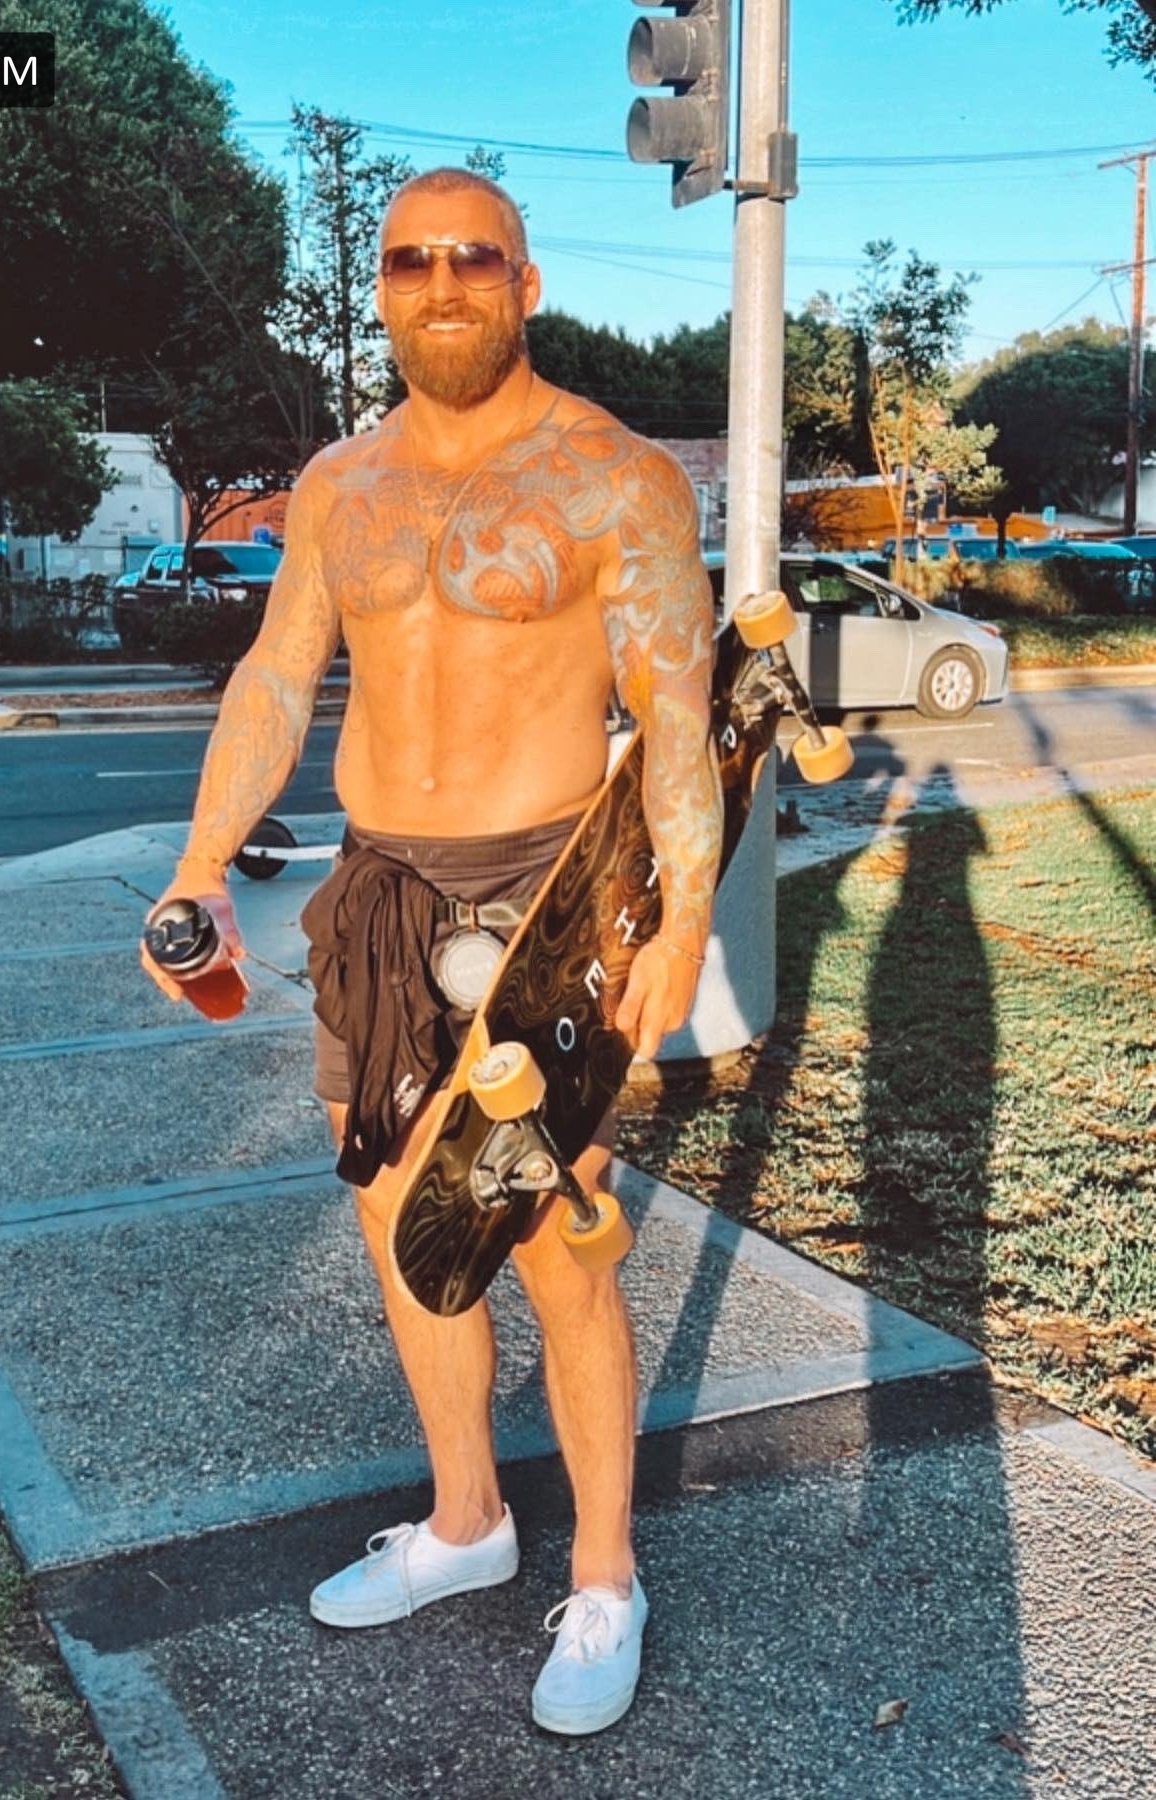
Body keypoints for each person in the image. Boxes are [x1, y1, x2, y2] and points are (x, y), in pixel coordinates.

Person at [142, 167, 722, 1737]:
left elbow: (675, 710)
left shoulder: (613, 476)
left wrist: (680, 916)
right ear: (384, 291)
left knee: (549, 1234)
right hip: (380, 891)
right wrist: (198, 869)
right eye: (411, 261)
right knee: (403, 1213)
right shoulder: (340, 484)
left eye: (475, 257)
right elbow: (277, 679)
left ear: (525, 283)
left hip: (546, 902)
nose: (442, 282)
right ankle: (468, 1523)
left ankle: (604, 1575)